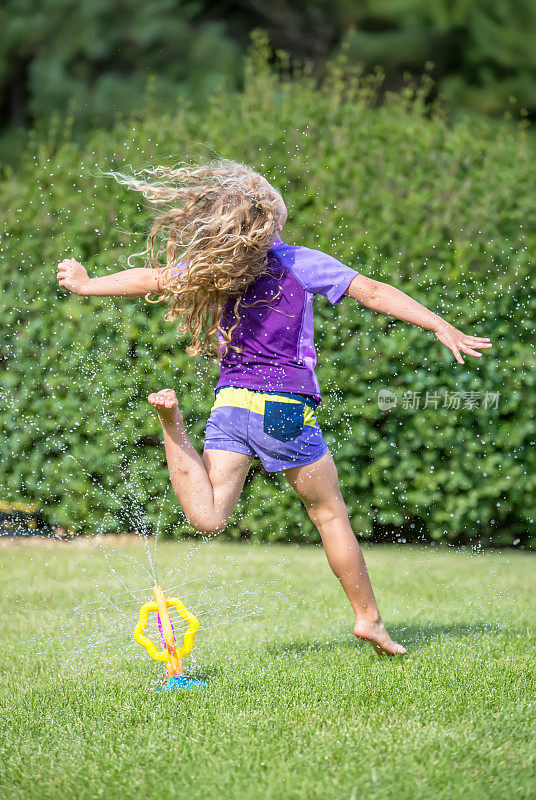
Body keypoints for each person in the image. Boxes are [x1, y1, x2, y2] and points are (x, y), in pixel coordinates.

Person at [56, 160, 492, 656]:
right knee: (329, 514)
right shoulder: (296, 261)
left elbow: (153, 279)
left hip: (231, 405)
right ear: (272, 224)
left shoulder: (218, 268)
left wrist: (89, 285)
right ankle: (368, 619)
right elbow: (371, 291)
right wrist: (439, 324)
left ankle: (173, 424)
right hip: (282, 407)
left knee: (210, 516)